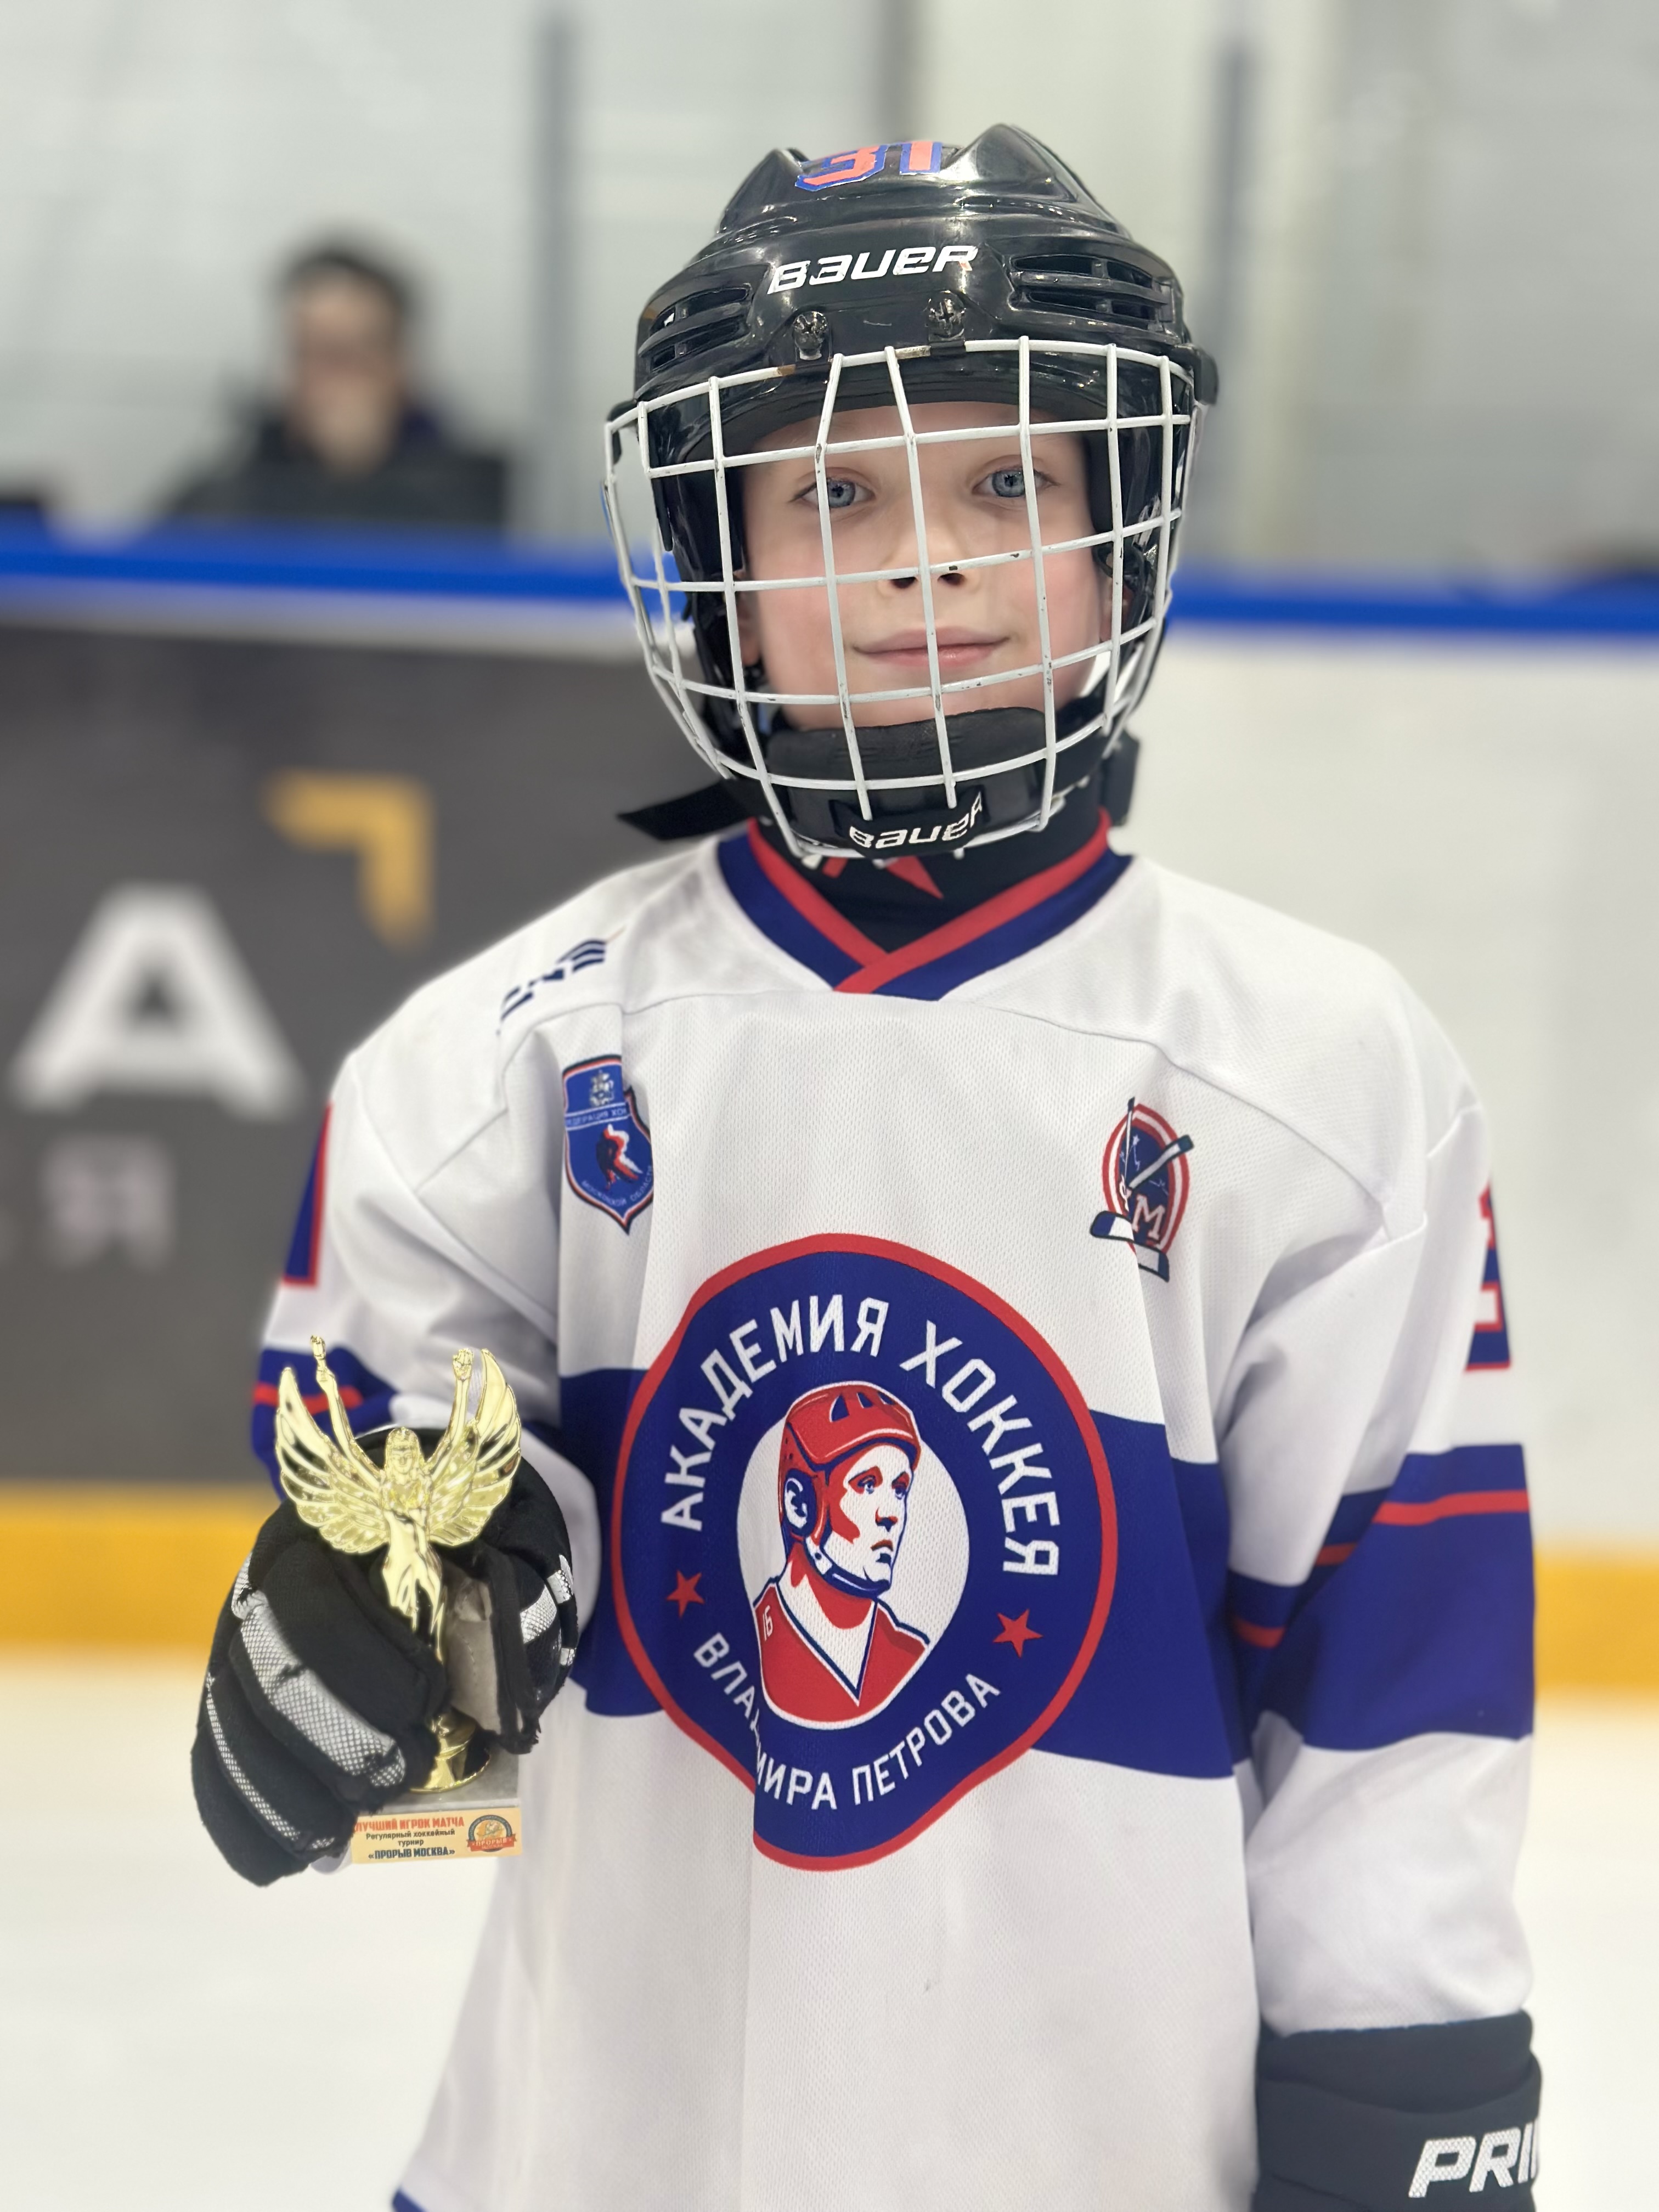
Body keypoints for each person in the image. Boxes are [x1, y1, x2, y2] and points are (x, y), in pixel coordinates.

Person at [191, 129, 1541, 2211]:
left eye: (1006, 482)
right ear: (716, 562)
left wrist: (1405, 2131)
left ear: (1118, 530)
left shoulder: (1322, 1075)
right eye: (830, 494)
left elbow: (1386, 1714)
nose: (927, 562)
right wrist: (378, 1639)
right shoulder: (500, 1060)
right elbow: (406, 1528)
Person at [168, 240, 509, 530]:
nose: (335, 382)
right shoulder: (223, 497)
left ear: (401, 366)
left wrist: (356, 474)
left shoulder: (478, 490)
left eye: (351, 355)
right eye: (314, 353)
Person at [752, 1381, 930, 1724]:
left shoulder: (912, 1659)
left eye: (899, 1489)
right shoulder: (754, 1637)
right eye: (867, 1485)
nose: (891, 1514)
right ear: (800, 1505)